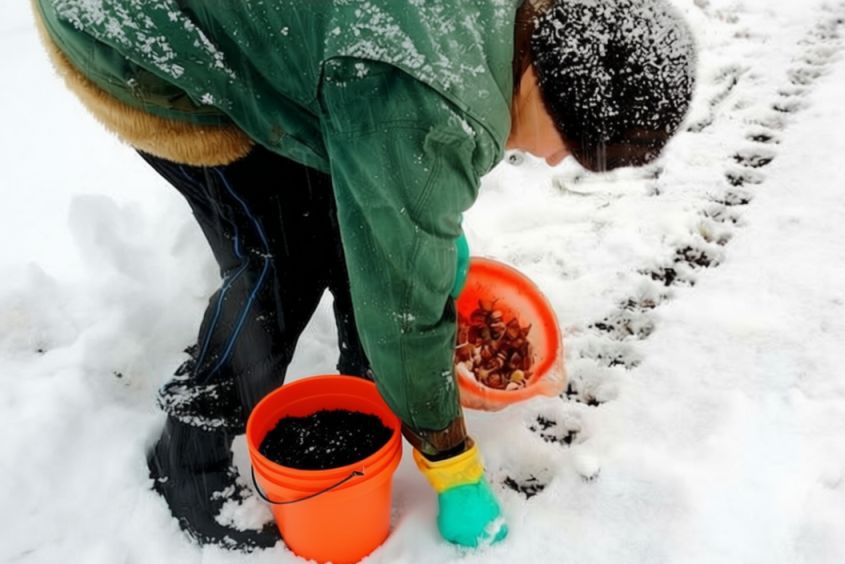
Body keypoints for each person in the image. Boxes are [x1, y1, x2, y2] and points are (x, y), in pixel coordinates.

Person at [32, 0, 697, 551]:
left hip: (307, 34)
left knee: (340, 205)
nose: (553, 163)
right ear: (543, 85)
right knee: (281, 252)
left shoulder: (510, 30)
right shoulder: (428, 102)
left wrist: (426, 246)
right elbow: (408, 313)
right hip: (131, 23)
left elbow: (386, 151)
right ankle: (191, 456)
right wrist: (451, 460)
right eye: (567, 143)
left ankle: (366, 371)